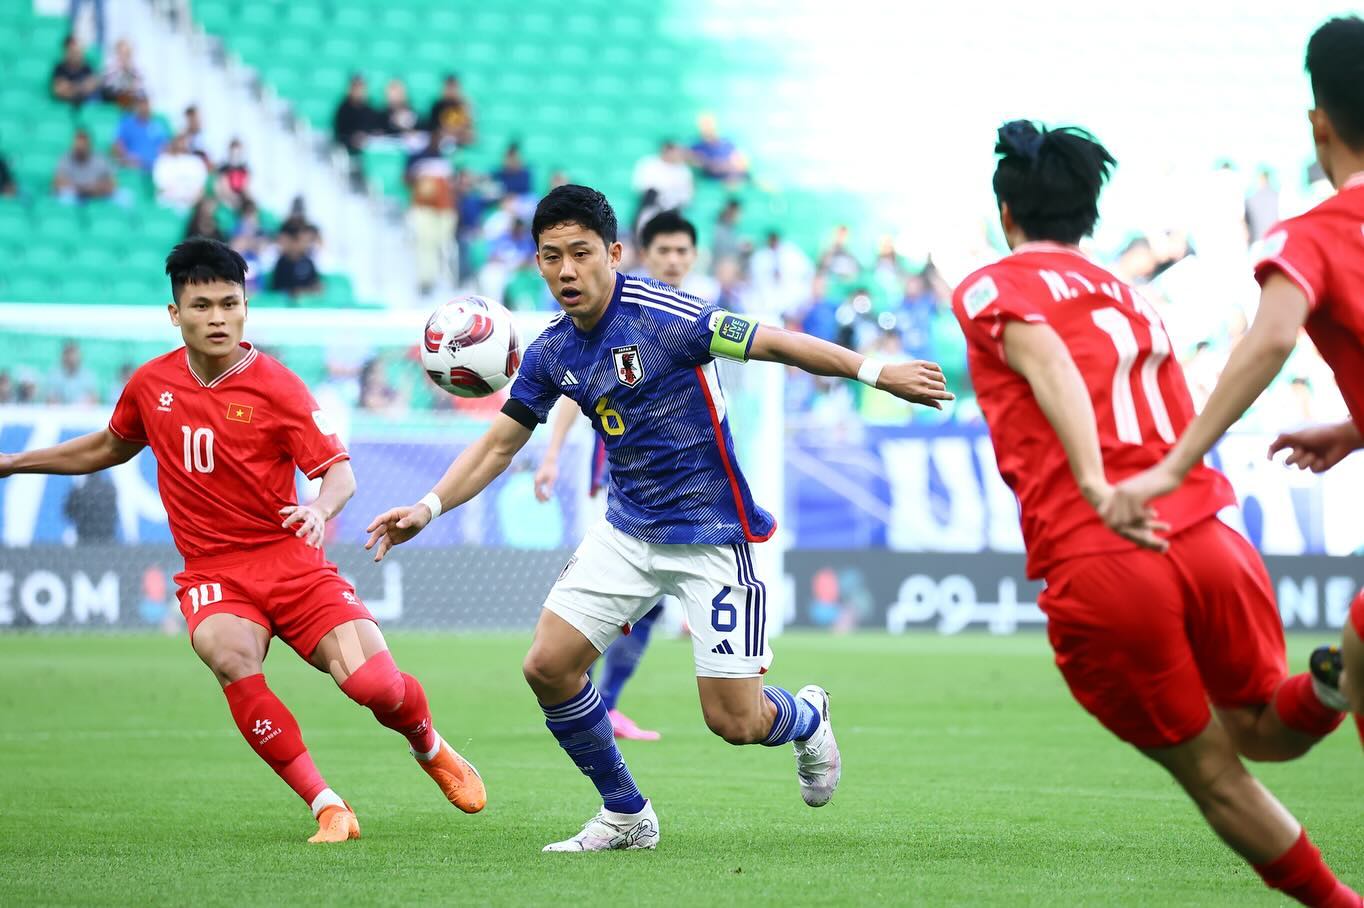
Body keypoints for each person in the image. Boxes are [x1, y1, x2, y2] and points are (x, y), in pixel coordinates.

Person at [365, 185, 952, 851]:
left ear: (613, 253)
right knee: (548, 666)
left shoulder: (669, 316)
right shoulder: (553, 352)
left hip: (711, 534)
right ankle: (626, 814)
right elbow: (501, 442)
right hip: (627, 530)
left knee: (734, 721)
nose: (566, 271)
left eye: (581, 254)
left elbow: (777, 344)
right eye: (551, 257)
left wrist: (877, 373)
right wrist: (428, 506)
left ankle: (808, 715)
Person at [953, 119, 1355, 907]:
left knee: (1216, 776)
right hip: (1207, 536)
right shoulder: (1133, 300)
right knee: (1263, 728)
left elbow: (1051, 361)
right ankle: (1338, 684)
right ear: (1089, 219)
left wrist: (1098, 484)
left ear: (1007, 215)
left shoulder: (992, 285)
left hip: (1103, 547)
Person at [0, 239, 485, 842]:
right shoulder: (151, 385)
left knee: (375, 687)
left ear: (245, 307)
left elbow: (340, 473)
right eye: (201, 306)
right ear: (175, 314)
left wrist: (319, 508)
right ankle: (328, 806)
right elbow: (109, 445)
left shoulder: (277, 387)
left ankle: (429, 745)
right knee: (229, 656)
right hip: (213, 572)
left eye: (229, 303)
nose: (217, 318)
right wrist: (17, 461)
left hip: (293, 564)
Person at [1103, 16, 1364, 734]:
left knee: (1347, 667)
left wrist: (1173, 466)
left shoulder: (1315, 236)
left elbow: (1271, 337)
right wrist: (1354, 427)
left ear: (1319, 125)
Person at [531, 210, 703, 742]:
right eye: (664, 252)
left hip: (686, 488)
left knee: (650, 610)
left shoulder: (688, 314)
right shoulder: (611, 311)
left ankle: (605, 701)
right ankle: (598, 701)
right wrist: (553, 453)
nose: (674, 261)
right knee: (636, 603)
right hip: (621, 484)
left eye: (682, 251)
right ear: (637, 255)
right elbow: (571, 384)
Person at [52, 129, 116, 204]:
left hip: (97, 195)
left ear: (89, 145)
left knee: (124, 197)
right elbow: (57, 184)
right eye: (78, 146)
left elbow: (111, 185)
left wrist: (94, 188)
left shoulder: (100, 159)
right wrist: (78, 188)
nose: (80, 149)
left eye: (83, 146)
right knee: (64, 198)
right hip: (74, 195)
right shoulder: (65, 159)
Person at [112, 96, 170, 172]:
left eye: (145, 103)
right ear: (135, 106)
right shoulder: (126, 124)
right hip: (134, 166)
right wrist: (127, 156)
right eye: (140, 104)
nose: (143, 107)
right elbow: (117, 145)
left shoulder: (158, 124)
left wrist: (162, 157)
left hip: (157, 167)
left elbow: (165, 145)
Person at [153, 134, 210, 210]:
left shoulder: (196, 162)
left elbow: (200, 189)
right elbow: (160, 188)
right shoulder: (163, 161)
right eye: (179, 142)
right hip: (166, 205)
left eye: (184, 142)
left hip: (190, 206)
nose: (181, 145)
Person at [270, 225, 323, 299]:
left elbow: (316, 285)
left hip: (306, 303)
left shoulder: (308, 262)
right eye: (302, 241)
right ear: (293, 242)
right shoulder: (282, 263)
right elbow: (277, 289)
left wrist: (307, 291)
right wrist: (293, 292)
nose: (306, 244)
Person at [50, 34, 99, 106]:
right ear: (66, 51)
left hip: (86, 104)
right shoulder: (59, 67)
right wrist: (80, 88)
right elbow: (59, 90)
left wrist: (71, 87)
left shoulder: (87, 66)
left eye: (78, 50)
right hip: (64, 105)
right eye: (72, 50)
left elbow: (92, 84)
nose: (76, 53)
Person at [427, 73, 474, 146]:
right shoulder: (437, 106)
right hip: (440, 144)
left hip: (460, 144)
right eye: (449, 87)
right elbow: (432, 131)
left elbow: (471, 134)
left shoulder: (464, 106)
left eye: (453, 87)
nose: (451, 91)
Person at [47, 340, 100, 404]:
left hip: (83, 412)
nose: (71, 357)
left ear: (80, 355)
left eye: (74, 353)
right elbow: (50, 399)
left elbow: (95, 399)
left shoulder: (88, 375)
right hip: (59, 412)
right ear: (63, 355)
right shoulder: (54, 374)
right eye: (68, 353)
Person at [99, 38, 143, 108]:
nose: (124, 56)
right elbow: (108, 85)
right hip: (112, 99)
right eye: (121, 53)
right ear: (117, 53)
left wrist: (129, 71)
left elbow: (139, 87)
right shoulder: (110, 66)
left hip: (130, 100)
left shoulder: (135, 69)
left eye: (127, 54)